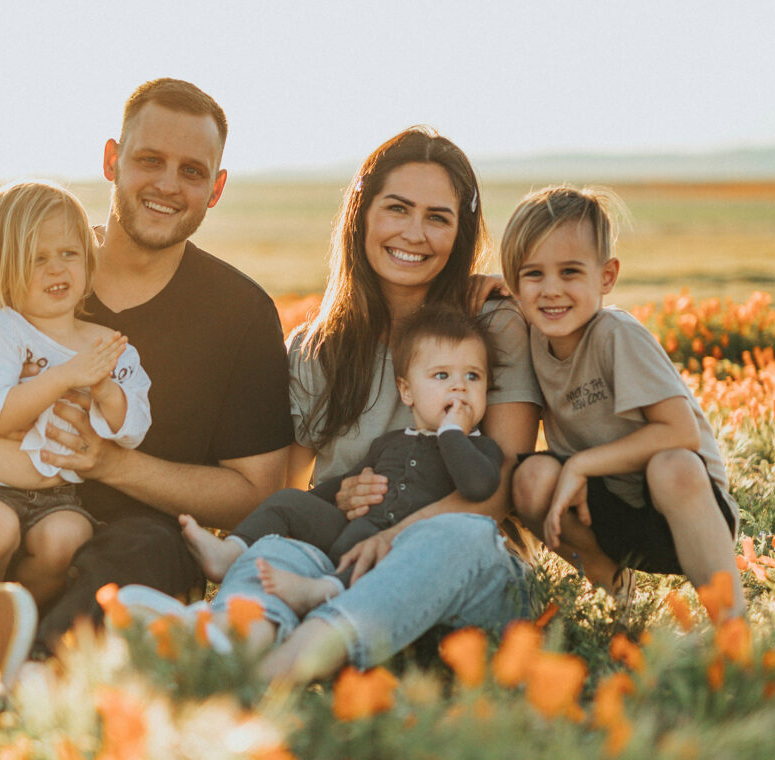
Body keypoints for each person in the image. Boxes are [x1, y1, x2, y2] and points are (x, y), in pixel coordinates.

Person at [0, 79, 293, 688]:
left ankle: (22, 675)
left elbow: (254, 492)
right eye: (150, 160)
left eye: (191, 170)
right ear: (112, 160)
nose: (168, 184)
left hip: (111, 562)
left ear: (216, 189)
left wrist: (112, 465)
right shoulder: (23, 264)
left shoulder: (239, 313)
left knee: (149, 550)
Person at [122, 126, 543, 683]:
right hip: (342, 562)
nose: (414, 233)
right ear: (362, 214)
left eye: (438, 217)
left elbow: (500, 493)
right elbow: (285, 491)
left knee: (453, 537)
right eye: (397, 209)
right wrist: (338, 496)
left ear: (459, 232)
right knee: (280, 547)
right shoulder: (316, 348)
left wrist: (395, 536)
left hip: (466, 573)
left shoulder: (491, 325)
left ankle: (279, 671)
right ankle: (229, 639)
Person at [501, 185, 744, 615]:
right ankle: (617, 596)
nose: (551, 290)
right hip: (607, 515)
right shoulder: (532, 338)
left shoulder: (617, 335)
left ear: (607, 276)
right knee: (530, 478)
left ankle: (732, 625)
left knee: (674, 465)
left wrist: (580, 463)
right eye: (534, 274)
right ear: (514, 283)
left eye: (571, 272)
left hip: (681, 512)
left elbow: (681, 432)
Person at [180, 304, 503, 611]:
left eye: (473, 377)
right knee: (289, 501)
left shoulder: (481, 449)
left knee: (372, 546)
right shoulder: (389, 443)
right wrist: (313, 504)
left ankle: (324, 591)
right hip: (352, 532)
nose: (460, 388)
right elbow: (342, 485)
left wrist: (452, 433)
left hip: (405, 551)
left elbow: (477, 486)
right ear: (407, 392)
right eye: (442, 376)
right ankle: (230, 552)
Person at [0, 180, 152, 609]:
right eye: (37, 259)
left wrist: (104, 390)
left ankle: (16, 626)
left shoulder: (107, 343)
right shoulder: (4, 331)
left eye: (68, 254)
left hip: (57, 497)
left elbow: (133, 429)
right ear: (2, 270)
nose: (56, 269)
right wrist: (64, 376)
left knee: (68, 540)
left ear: (88, 262)